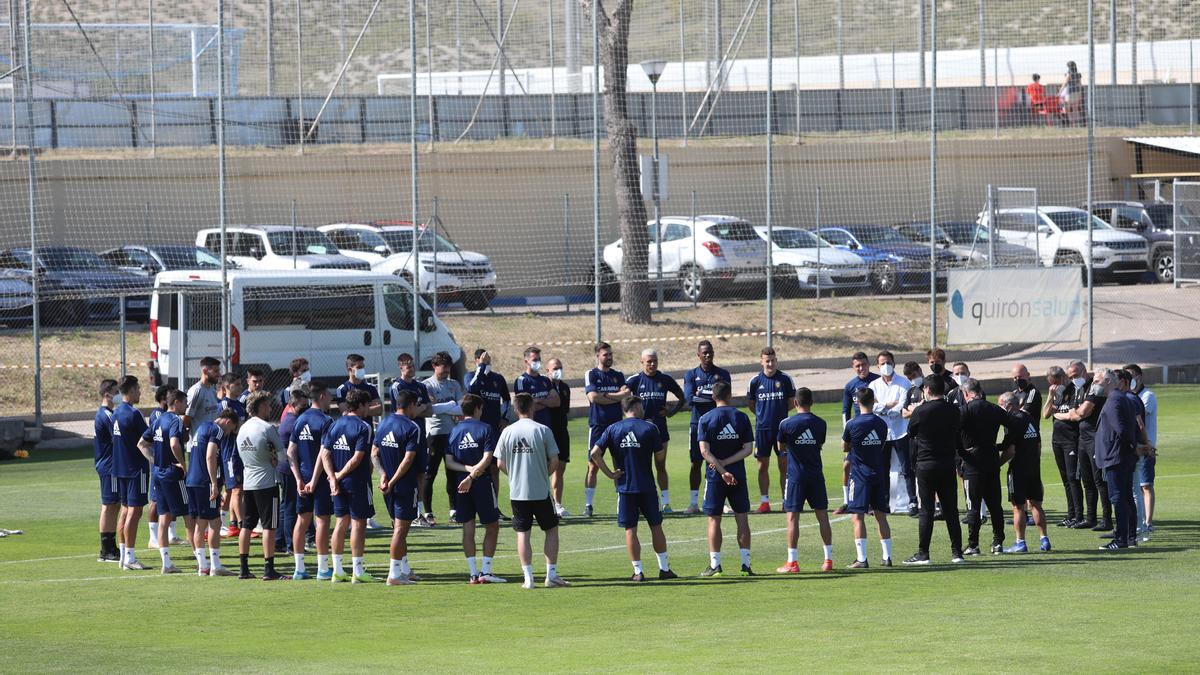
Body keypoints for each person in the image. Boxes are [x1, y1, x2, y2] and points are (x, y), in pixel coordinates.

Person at [591, 396, 679, 582]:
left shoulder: (612, 429)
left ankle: (638, 572)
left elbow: (594, 453)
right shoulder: (649, 428)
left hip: (625, 487)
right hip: (646, 485)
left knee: (630, 530)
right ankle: (664, 569)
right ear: (637, 407)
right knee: (656, 526)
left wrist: (610, 474)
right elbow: (660, 456)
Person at [495, 393, 569, 589]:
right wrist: (542, 474)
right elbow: (554, 461)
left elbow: (500, 463)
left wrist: (515, 476)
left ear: (516, 409)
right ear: (532, 407)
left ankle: (528, 578)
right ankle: (551, 575)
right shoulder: (543, 430)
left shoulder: (507, 432)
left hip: (517, 492)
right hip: (540, 491)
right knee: (551, 530)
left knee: (522, 533)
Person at [903, 377, 964, 565]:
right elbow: (958, 435)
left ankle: (924, 553)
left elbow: (911, 435)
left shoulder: (920, 411)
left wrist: (913, 464)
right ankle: (957, 553)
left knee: (926, 510)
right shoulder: (953, 410)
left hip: (926, 464)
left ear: (927, 390)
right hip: (946, 464)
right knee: (951, 510)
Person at [445, 394, 506, 584]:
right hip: (480, 482)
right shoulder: (486, 428)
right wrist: (473, 475)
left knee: (468, 527)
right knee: (492, 525)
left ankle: (473, 573)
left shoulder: (454, 431)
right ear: (478, 408)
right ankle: (486, 571)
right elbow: (488, 458)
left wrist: (466, 471)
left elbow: (449, 462)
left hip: (461, 484)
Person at [696, 381, 755, 577]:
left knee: (714, 520)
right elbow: (748, 449)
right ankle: (746, 565)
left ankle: (715, 566)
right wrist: (729, 464)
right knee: (742, 518)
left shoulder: (705, 419)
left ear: (713, 397)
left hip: (715, 476)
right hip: (737, 475)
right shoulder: (741, 417)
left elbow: (704, 451)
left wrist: (721, 469)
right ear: (729, 395)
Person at [775, 387, 834, 573]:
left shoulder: (787, 424)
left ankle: (792, 562)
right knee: (822, 516)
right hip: (816, 475)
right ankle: (828, 560)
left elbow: (780, 446)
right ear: (812, 402)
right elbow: (820, 444)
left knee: (792, 517)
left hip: (796, 477)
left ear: (795, 403)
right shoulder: (821, 423)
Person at [320, 389, 376, 583]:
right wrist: (340, 475)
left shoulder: (335, 425)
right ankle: (358, 572)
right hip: (357, 482)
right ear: (360, 405)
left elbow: (325, 453)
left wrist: (333, 478)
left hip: (337, 484)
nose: (369, 408)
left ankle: (337, 570)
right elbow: (358, 458)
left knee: (341, 522)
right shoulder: (364, 427)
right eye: (367, 405)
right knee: (358, 524)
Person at [959, 378, 1019, 555]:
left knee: (973, 506)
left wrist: (962, 452)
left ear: (966, 393)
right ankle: (998, 542)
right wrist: (1001, 445)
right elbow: (1013, 426)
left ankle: (973, 544)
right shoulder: (994, 409)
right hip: (991, 459)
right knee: (995, 505)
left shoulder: (965, 410)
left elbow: (953, 433)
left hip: (972, 462)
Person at [624, 349, 684, 513]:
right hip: (640, 432)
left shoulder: (664, 379)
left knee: (660, 466)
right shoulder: (635, 380)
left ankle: (665, 503)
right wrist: (631, 419)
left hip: (660, 431)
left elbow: (682, 397)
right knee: (642, 467)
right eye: (649, 361)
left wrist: (671, 412)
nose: (652, 364)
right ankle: (642, 502)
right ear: (642, 362)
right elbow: (623, 398)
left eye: (654, 361)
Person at [374, 389, 424, 586]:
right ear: (411, 405)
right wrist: (393, 480)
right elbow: (408, 459)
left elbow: (373, 452)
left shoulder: (384, 422)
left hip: (387, 486)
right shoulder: (412, 427)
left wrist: (383, 475)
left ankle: (404, 569)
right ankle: (393, 575)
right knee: (401, 530)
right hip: (403, 486)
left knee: (398, 527)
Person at [138, 389, 191, 574]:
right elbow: (174, 444)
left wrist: (155, 461)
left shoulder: (158, 419)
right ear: (175, 402)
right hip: (172, 474)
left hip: (159, 474)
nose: (186, 406)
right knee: (188, 514)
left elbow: (141, 444)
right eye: (184, 402)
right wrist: (183, 465)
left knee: (164, 517)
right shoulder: (176, 420)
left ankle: (166, 563)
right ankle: (201, 559)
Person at [235, 391, 286, 581]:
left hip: (249, 482)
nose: (270, 408)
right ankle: (269, 569)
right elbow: (282, 457)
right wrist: (272, 458)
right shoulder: (267, 428)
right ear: (261, 406)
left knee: (246, 526)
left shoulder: (242, 428)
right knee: (269, 527)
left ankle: (243, 568)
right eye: (268, 405)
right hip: (267, 482)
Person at [1056, 360, 1111, 531]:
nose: (1074, 379)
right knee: (1087, 480)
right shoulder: (1077, 390)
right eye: (1071, 377)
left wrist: (1065, 415)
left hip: (1095, 438)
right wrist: (1072, 413)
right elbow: (1075, 412)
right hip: (1082, 438)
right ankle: (1091, 518)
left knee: (1099, 480)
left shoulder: (1094, 390)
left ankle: (1107, 519)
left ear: (1084, 372)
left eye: (1076, 375)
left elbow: (1080, 413)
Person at [1093, 369, 1145, 550]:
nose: (1094, 384)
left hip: (1116, 457)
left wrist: (1131, 447)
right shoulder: (1120, 398)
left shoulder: (1115, 399)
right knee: (1125, 498)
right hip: (1121, 456)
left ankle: (1122, 539)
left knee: (1119, 498)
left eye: (1097, 381)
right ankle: (1129, 538)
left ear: (1108, 381)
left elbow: (1122, 430)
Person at [842, 388, 893, 569]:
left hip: (860, 476)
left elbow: (845, 447)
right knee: (881, 516)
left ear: (857, 402)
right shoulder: (881, 424)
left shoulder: (852, 424)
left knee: (857, 517)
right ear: (874, 400)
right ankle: (887, 557)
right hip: (878, 474)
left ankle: (862, 558)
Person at [288, 382, 334, 579]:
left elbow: (291, 451)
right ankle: (323, 568)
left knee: (301, 519)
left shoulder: (300, 419)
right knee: (322, 520)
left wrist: (298, 478)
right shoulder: (326, 421)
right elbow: (323, 454)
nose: (332, 398)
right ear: (322, 396)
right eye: (329, 394)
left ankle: (299, 568)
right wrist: (314, 480)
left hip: (302, 477)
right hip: (319, 479)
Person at [185, 408, 239, 576]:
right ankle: (215, 566)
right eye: (231, 430)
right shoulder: (217, 430)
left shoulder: (202, 427)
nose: (229, 434)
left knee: (199, 523)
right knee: (214, 523)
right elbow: (210, 456)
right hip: (204, 482)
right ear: (228, 422)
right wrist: (214, 483)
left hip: (192, 481)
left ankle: (203, 566)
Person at [998, 392, 1050, 553]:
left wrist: (996, 464)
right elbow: (1038, 445)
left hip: (1018, 469)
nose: (999, 408)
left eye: (1000, 405)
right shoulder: (1029, 418)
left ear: (1008, 405)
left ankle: (1020, 542)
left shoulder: (1012, 421)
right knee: (1036, 504)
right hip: (1034, 467)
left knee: (1018, 507)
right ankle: (1044, 539)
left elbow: (1011, 450)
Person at [747, 347, 796, 514]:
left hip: (782, 431)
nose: (770, 363)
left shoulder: (785, 379)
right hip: (762, 430)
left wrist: (779, 415)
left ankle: (785, 501)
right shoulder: (755, 381)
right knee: (762, 466)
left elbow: (791, 402)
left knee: (784, 466)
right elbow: (751, 404)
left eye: (773, 360)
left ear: (776, 360)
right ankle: (764, 502)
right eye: (767, 360)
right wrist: (763, 416)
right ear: (761, 361)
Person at [684, 340, 730, 515]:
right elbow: (689, 399)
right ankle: (693, 503)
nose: (708, 355)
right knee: (696, 463)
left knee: (717, 462)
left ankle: (721, 501)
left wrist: (700, 394)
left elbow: (724, 397)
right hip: (698, 424)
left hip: (718, 425)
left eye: (710, 352)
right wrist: (712, 396)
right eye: (704, 353)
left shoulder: (723, 374)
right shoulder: (690, 375)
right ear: (698, 355)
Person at [388, 354, 434, 526]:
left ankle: (418, 512)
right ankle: (397, 514)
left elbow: (429, 411)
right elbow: (407, 412)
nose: (412, 369)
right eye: (408, 367)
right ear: (401, 368)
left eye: (413, 366)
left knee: (421, 472)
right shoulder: (397, 386)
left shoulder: (420, 386)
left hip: (420, 434)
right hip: (403, 434)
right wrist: (421, 407)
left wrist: (419, 409)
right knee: (402, 471)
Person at [583, 341, 628, 517]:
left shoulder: (619, 375)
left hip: (617, 427)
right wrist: (616, 396)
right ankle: (588, 505)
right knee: (592, 466)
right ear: (597, 356)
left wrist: (607, 396)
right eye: (605, 354)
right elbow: (593, 397)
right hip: (597, 426)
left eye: (610, 354)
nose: (609, 357)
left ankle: (621, 502)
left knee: (619, 464)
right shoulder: (591, 374)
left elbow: (626, 396)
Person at [868, 350, 914, 516]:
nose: (886, 366)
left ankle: (913, 501)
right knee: (882, 470)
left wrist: (884, 408)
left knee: (907, 468)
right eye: (882, 363)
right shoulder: (873, 386)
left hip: (901, 431)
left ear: (894, 364)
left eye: (888, 362)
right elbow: (871, 407)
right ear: (877, 366)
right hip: (882, 433)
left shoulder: (903, 383)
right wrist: (887, 406)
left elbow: (901, 406)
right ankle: (884, 503)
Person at [466, 348, 511, 516]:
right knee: (477, 469)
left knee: (494, 469)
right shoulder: (471, 376)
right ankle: (476, 507)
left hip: (494, 432)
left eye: (489, 361)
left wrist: (505, 417)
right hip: (477, 433)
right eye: (485, 361)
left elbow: (506, 399)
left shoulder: (498, 379)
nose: (488, 364)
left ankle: (494, 507)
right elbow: (471, 389)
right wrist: (481, 368)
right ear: (477, 361)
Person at [111, 375, 150, 570]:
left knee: (125, 510)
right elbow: (147, 438)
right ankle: (130, 558)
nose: (140, 392)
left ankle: (123, 555)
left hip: (120, 468)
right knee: (135, 511)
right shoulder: (134, 414)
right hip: (136, 469)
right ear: (132, 390)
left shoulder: (116, 412)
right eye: (139, 389)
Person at [423, 351, 466, 521]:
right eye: (443, 366)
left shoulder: (454, 385)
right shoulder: (427, 385)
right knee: (430, 473)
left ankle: (453, 510)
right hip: (434, 435)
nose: (446, 370)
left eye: (448, 367)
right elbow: (431, 409)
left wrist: (444, 407)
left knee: (452, 472)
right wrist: (451, 406)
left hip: (452, 434)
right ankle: (428, 512)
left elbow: (461, 409)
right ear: (434, 366)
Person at [835, 351, 879, 516]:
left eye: (864, 364)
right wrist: (846, 432)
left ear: (869, 364)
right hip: (856, 432)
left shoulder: (877, 381)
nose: (861, 368)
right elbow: (845, 411)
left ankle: (874, 502)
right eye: (858, 366)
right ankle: (847, 501)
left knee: (873, 466)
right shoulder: (850, 386)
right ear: (853, 367)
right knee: (847, 465)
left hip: (874, 430)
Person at [1043, 365, 1083, 527]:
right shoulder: (1057, 394)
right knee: (1065, 479)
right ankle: (1070, 514)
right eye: (1050, 383)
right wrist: (1050, 396)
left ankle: (1079, 515)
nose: (1053, 386)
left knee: (1073, 478)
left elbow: (1073, 415)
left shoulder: (1074, 391)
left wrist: (1057, 414)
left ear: (1062, 379)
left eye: (1055, 383)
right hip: (1057, 440)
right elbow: (1045, 414)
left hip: (1071, 440)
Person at [1124, 364, 1157, 539]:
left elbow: (1138, 419)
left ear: (1140, 376)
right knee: (1136, 486)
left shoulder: (1147, 396)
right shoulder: (1131, 397)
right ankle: (1138, 524)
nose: (1131, 379)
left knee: (1145, 485)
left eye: (1133, 375)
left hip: (1146, 446)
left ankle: (1147, 523)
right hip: (1136, 447)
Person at [93, 379, 123, 563]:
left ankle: (111, 546)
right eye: (116, 391)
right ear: (107, 394)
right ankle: (106, 549)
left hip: (112, 464)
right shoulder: (106, 415)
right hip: (109, 465)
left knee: (115, 505)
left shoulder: (108, 414)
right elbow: (119, 437)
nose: (118, 394)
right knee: (109, 505)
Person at [274, 388, 306, 556]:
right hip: (288, 469)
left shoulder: (290, 419)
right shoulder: (292, 422)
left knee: (285, 506)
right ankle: (291, 544)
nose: (305, 407)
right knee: (290, 507)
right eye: (302, 404)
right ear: (293, 404)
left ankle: (279, 541)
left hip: (284, 467)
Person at [217, 372, 247, 537]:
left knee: (236, 489)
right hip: (229, 453)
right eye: (237, 384)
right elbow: (225, 428)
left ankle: (232, 524)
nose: (241, 387)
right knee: (235, 489)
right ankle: (242, 526)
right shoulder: (223, 405)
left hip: (240, 452)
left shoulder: (240, 405)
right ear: (227, 387)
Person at [545, 358, 573, 516]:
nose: (558, 370)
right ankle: (542, 501)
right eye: (555, 368)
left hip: (562, 432)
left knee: (560, 468)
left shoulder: (565, 388)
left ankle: (558, 504)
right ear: (547, 370)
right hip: (546, 432)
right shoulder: (543, 385)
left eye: (560, 367)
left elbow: (564, 410)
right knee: (545, 468)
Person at [335, 353, 383, 424]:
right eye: (359, 367)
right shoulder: (342, 389)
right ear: (350, 369)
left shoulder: (370, 387)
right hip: (350, 430)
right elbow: (345, 413)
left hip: (367, 431)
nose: (362, 370)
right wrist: (368, 410)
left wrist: (356, 411)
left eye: (363, 367)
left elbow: (379, 410)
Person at [1061, 60, 1084, 126]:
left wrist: (1060, 92)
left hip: (1069, 93)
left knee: (1067, 108)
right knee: (1075, 109)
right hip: (1077, 92)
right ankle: (1075, 123)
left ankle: (1070, 122)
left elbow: (1065, 84)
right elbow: (1080, 84)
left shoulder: (1069, 74)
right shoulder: (1078, 74)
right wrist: (1080, 93)